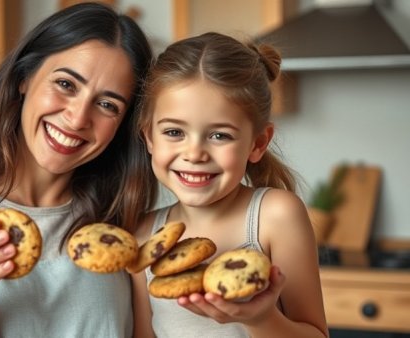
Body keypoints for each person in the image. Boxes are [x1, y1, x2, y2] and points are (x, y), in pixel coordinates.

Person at [0, 3, 152, 337]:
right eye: (66, 84)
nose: (78, 118)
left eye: (108, 104)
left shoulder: (123, 212)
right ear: (25, 78)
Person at [129, 32, 329, 337]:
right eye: (174, 132)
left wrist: (261, 319)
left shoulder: (275, 216)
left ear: (258, 143)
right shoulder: (144, 236)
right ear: (148, 137)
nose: (194, 153)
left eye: (219, 135)